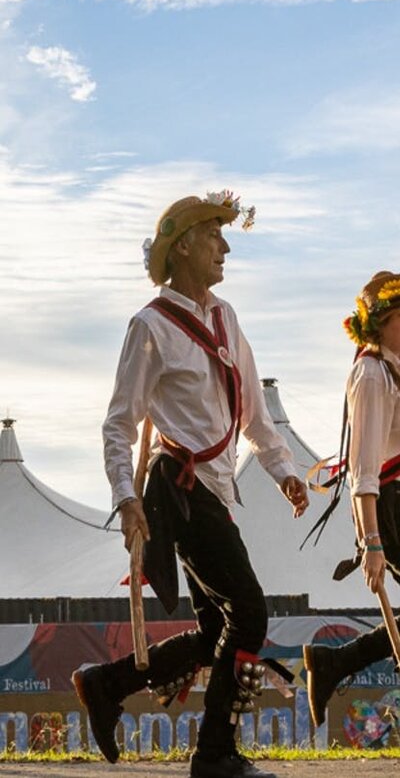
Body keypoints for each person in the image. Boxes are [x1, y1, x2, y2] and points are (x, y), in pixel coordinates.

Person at [72, 191, 309, 778]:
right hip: (176, 489)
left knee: (215, 632)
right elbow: (119, 423)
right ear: (182, 247)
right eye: (213, 237)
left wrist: (283, 471)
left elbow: (253, 411)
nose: (225, 247)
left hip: (217, 488)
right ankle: (215, 755)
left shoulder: (227, 318)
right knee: (249, 613)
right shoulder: (150, 325)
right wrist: (126, 498)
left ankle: (107, 683)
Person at [303, 270, 400, 729]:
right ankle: (333, 664)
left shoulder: (394, 367)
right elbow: (363, 471)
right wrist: (372, 542)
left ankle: (334, 664)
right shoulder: (372, 374)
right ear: (381, 323)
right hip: (391, 504)